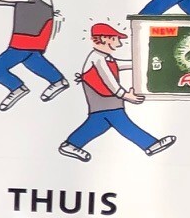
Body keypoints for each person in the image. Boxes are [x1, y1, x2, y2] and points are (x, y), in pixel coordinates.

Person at [59, 24, 175, 161]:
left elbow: (123, 64)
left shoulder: (106, 58)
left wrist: (145, 63)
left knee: (98, 124)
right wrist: (125, 95)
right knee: (121, 122)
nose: (119, 43)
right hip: (103, 100)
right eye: (115, 39)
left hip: (109, 102)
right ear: (104, 38)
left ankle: (71, 144)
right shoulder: (97, 57)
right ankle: (150, 144)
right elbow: (108, 80)